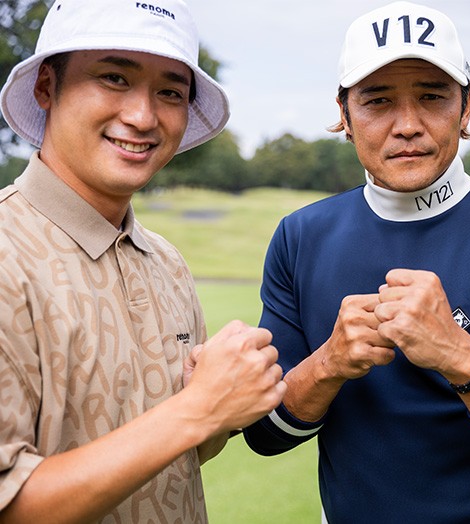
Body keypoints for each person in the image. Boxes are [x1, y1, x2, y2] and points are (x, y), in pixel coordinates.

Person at [243, 2, 470, 522]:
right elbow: (265, 435)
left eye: (432, 97)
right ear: (343, 113)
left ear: (466, 106)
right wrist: (329, 363)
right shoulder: (301, 236)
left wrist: (460, 357)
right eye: (378, 101)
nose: (407, 125)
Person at [0, 0, 286, 522]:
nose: (142, 116)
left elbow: (189, 450)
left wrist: (219, 402)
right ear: (46, 87)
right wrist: (198, 409)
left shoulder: (167, 262)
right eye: (113, 77)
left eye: (170, 92)